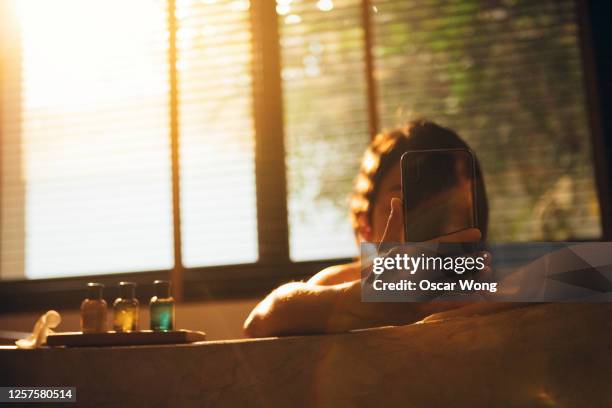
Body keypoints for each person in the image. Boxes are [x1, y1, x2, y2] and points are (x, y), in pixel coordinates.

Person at [244, 119, 507, 338]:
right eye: (407, 202)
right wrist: (366, 299)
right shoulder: (345, 282)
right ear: (365, 223)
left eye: (448, 203)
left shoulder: (493, 281)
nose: (428, 216)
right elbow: (260, 323)